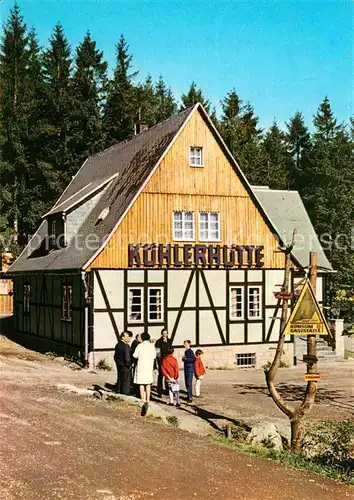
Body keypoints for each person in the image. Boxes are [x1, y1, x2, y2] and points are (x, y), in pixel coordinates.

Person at [133, 332, 157, 416]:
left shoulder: (139, 346)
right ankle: (148, 399)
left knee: (141, 383)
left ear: (142, 338)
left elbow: (135, 355)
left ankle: (142, 399)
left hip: (141, 366)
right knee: (148, 384)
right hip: (148, 366)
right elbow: (154, 356)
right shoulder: (151, 346)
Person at [155, 328, 172, 397]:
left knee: (168, 375)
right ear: (161, 334)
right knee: (161, 375)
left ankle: (167, 389)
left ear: (167, 334)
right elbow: (157, 353)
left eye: (166, 333)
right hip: (161, 360)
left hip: (168, 360)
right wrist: (159, 362)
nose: (165, 335)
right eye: (163, 333)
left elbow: (171, 350)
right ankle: (159, 390)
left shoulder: (169, 340)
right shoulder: (158, 342)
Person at [114, 331, 133, 395]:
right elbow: (127, 357)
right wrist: (129, 364)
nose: (129, 338)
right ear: (123, 337)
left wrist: (118, 362)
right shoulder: (126, 346)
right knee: (126, 379)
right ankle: (126, 392)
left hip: (119, 364)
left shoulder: (118, 344)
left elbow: (115, 356)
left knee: (120, 378)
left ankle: (119, 390)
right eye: (127, 337)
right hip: (125, 365)